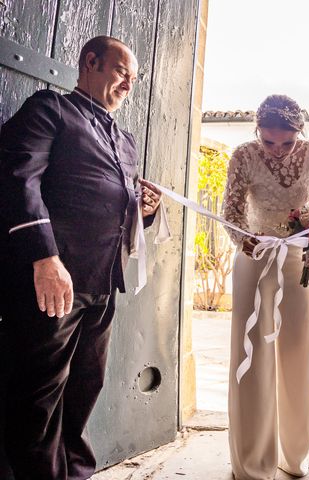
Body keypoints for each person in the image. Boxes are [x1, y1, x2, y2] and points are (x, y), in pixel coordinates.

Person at [0, 36, 161, 480]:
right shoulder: (49, 110)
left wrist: (142, 209)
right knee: (39, 396)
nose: (129, 83)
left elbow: (114, 205)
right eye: (120, 71)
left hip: (104, 282)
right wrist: (44, 258)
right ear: (90, 62)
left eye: (134, 77)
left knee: (85, 386)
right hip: (53, 280)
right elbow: (18, 180)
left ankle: (75, 474)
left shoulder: (125, 141)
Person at [222, 94, 309, 479]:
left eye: (287, 142)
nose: (279, 151)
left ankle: (293, 455)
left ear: (301, 133)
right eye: (269, 142)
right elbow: (230, 213)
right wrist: (246, 240)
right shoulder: (242, 155)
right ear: (257, 133)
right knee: (253, 359)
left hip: (298, 260)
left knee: (298, 352)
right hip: (255, 258)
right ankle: (252, 462)